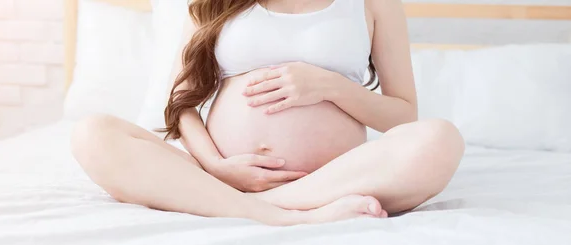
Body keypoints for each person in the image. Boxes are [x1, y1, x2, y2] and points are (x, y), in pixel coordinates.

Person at [71, 0, 464, 226]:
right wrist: (214, 166)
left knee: (439, 139)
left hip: (330, 179)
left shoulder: (372, 3)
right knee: (92, 133)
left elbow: (403, 118)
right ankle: (295, 215)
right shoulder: (216, 1)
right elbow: (182, 102)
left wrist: (330, 86)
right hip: (225, 177)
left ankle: (263, 206)